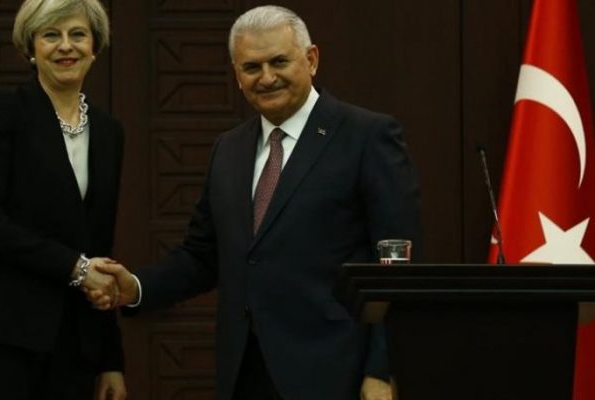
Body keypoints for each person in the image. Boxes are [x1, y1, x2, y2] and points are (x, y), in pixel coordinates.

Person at [92, 5, 421, 400]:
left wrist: (382, 369)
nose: (266, 77)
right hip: (244, 373)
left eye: (279, 61)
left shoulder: (367, 136)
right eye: (251, 67)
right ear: (237, 75)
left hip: (336, 373)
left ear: (311, 59)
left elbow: (397, 267)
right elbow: (202, 256)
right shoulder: (228, 149)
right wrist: (135, 287)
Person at [0, 0, 126, 399]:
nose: (65, 46)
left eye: (78, 34)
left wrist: (111, 360)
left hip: (77, 349)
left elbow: (99, 249)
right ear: (30, 48)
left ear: (94, 47)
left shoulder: (109, 132)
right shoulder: (1, 113)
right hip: (6, 339)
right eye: (51, 34)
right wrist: (75, 267)